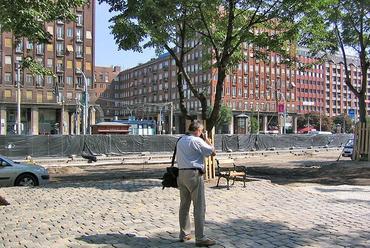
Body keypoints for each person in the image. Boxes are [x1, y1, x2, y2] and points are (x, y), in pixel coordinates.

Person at [176, 120, 216, 247]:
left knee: (184, 205)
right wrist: (206, 139)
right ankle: (200, 238)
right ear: (198, 130)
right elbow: (213, 152)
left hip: (181, 174)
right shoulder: (197, 140)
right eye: (201, 131)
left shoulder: (180, 140)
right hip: (194, 174)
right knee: (199, 206)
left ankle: (184, 233)